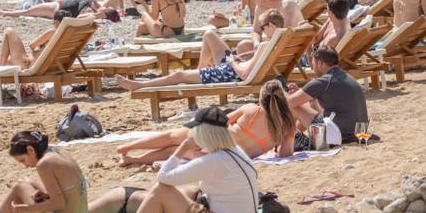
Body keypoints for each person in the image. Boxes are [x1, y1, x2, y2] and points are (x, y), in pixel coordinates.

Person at [79, 105, 258, 213]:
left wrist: (183, 147)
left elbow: (163, 178)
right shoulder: (235, 151)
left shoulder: (214, 161)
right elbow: (212, 194)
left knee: (161, 191)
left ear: (203, 133)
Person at [116, 80, 296, 166]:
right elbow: (285, 154)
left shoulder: (251, 110)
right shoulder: (287, 126)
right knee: (175, 151)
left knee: (173, 136)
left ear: (261, 97)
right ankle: (133, 159)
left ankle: (126, 148)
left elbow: (220, 120)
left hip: (215, 139)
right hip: (225, 157)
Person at [117, 10, 284, 92]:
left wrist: (233, 62)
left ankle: (139, 85)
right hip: (234, 68)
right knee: (209, 34)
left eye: (263, 28)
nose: (261, 32)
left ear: (272, 26)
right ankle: (199, 72)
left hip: (230, 72)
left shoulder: (265, 45)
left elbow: (245, 75)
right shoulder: (281, 42)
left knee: (179, 76)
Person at [285, 47, 368, 143]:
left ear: (320, 63)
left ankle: (288, 139)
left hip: (340, 134)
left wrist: (284, 93)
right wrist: (300, 92)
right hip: (360, 132)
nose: (313, 68)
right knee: (311, 104)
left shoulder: (323, 81)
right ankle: (296, 134)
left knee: (295, 107)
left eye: (313, 64)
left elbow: (289, 103)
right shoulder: (346, 76)